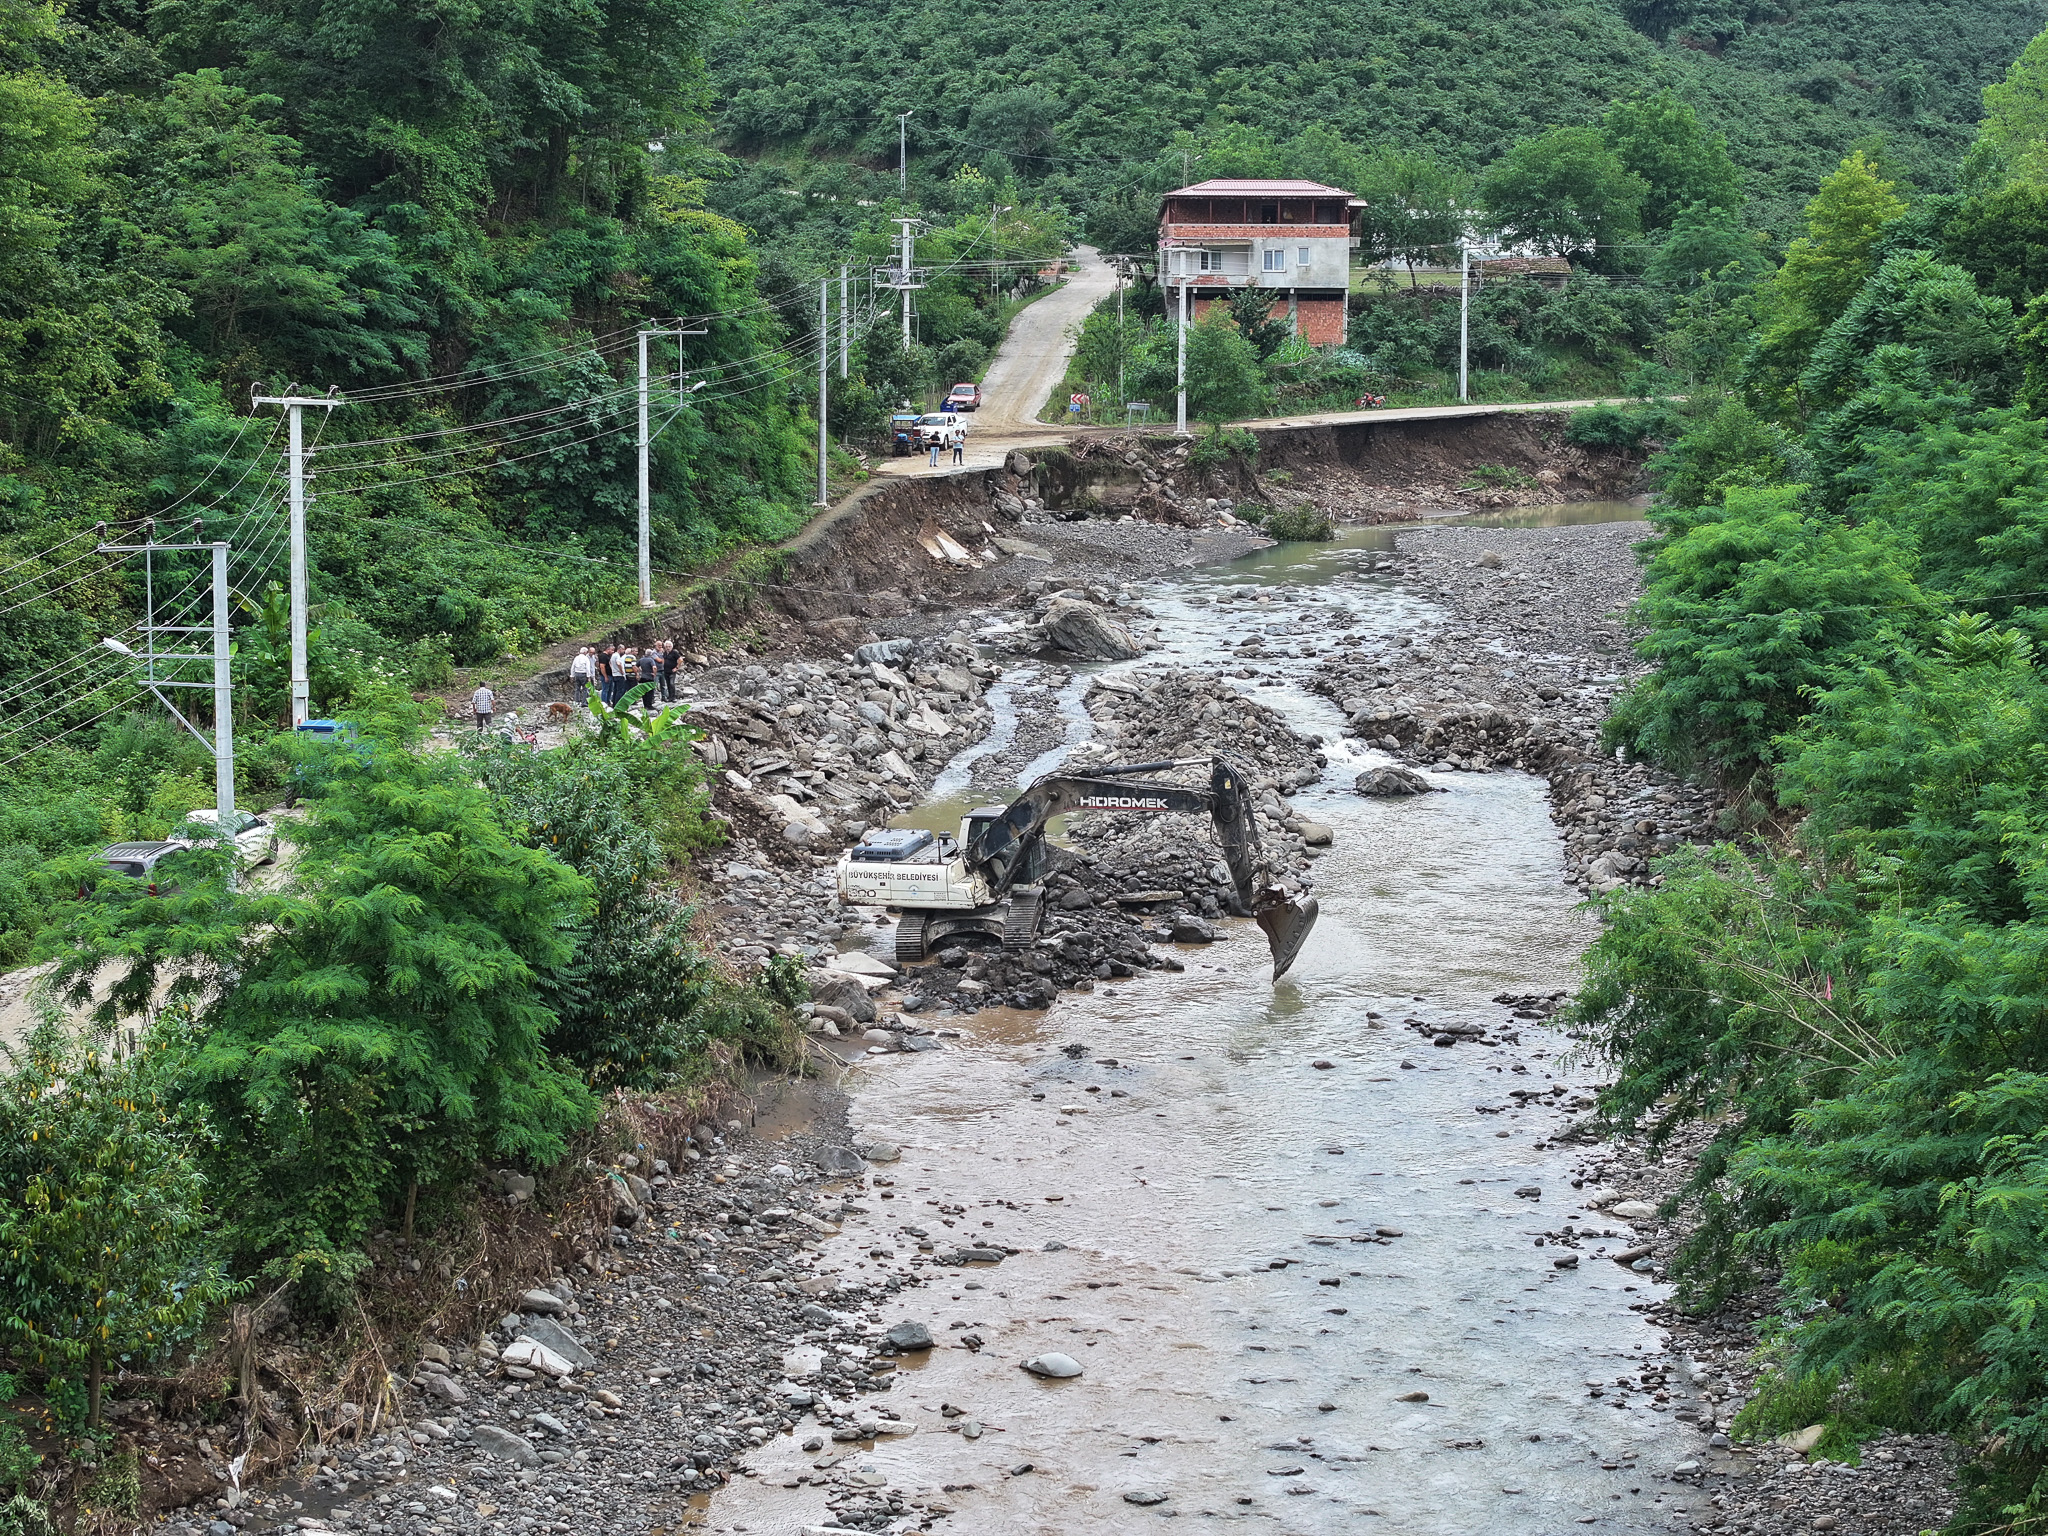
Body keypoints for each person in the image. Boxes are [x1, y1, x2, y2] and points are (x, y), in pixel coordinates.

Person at [638, 643, 662, 710]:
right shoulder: (651, 660)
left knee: (644, 692)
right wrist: (654, 674)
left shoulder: (641, 659)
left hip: (643, 676)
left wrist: (638, 672)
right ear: (651, 654)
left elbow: (635, 666)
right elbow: (654, 667)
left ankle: (645, 705)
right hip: (649, 677)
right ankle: (649, 705)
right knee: (650, 692)